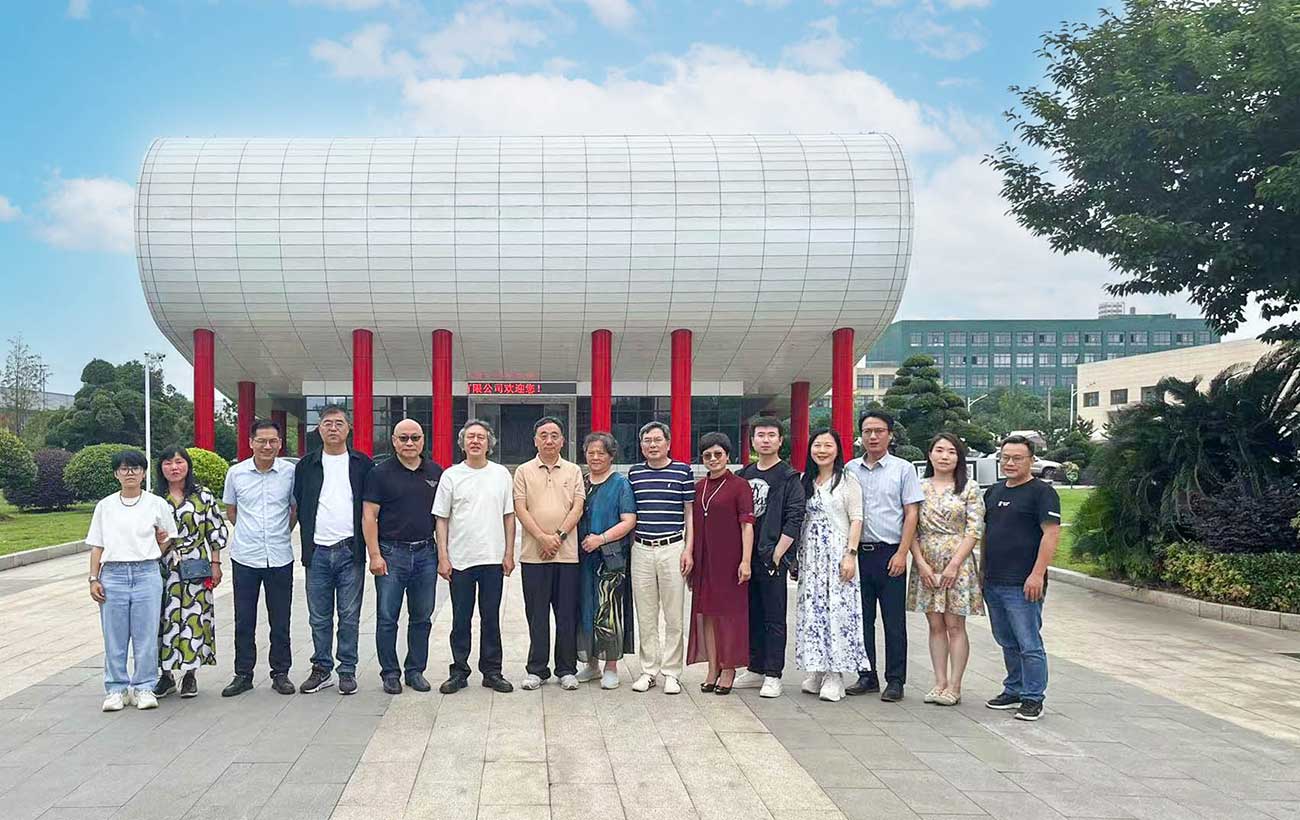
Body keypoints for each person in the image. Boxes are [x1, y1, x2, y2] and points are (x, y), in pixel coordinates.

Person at [87, 449, 177, 712]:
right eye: (124, 469)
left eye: (135, 468)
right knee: (114, 637)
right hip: (113, 574)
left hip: (146, 573)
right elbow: (97, 545)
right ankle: (116, 689)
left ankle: (144, 686)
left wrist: (153, 550)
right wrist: (93, 578)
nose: (130, 473)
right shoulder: (105, 506)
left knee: (145, 635)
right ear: (116, 474)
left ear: (144, 473)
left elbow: (168, 537)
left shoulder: (156, 504)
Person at [293, 405, 374, 696]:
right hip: (317, 551)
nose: (333, 428)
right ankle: (322, 668)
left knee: (349, 615)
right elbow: (299, 503)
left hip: (350, 550)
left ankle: (347, 670)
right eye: (327, 423)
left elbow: (370, 508)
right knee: (319, 616)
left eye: (339, 423)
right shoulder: (306, 465)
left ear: (348, 428)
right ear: (319, 429)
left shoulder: (362, 464)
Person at [844, 410, 923, 702]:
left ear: (890, 434)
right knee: (861, 619)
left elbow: (911, 513)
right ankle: (867, 675)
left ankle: (895, 679)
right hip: (859, 554)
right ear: (861, 436)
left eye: (879, 431)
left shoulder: (903, 469)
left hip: (890, 553)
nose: (873, 436)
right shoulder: (850, 469)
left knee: (893, 621)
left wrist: (902, 553)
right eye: (867, 431)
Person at [434, 419, 516, 695]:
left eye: (481, 437)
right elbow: (442, 519)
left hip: (492, 558)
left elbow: (509, 516)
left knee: (490, 618)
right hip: (460, 559)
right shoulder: (451, 475)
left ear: (489, 443)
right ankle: (459, 671)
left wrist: (508, 553)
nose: (476, 441)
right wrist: (443, 556)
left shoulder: (501, 474)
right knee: (461, 618)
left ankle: (492, 671)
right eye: (470, 437)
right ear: (463, 443)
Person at [982, 435, 1061, 722]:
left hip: (1024, 582)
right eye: (1005, 457)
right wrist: (981, 574)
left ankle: (1033, 697)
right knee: (1006, 639)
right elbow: (986, 534)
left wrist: (1037, 574)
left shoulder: (1042, 493)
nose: (1010, 463)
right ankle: (1014, 688)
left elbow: (1051, 534)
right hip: (993, 580)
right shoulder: (993, 492)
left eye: (1017, 458)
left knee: (1029, 643)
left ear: (1031, 460)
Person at [363, 418, 443, 695]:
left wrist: (443, 555)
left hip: (425, 553)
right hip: (391, 553)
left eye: (415, 438)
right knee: (387, 617)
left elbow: (442, 518)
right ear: (394, 441)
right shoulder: (379, 473)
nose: (410, 443)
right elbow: (369, 516)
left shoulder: (435, 472)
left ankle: (415, 670)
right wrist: (374, 555)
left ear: (423, 440)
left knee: (422, 616)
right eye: (403, 438)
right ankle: (390, 673)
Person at [906, 434, 985, 707]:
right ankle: (939, 681)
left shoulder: (969, 488)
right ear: (930, 455)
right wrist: (920, 563)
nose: (944, 456)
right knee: (935, 625)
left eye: (951, 451)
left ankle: (955, 685)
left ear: (959, 457)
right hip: (926, 561)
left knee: (955, 625)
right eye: (939, 450)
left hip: (958, 563)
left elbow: (974, 529)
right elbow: (910, 528)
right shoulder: (918, 487)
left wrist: (954, 565)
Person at [222, 419, 298, 697]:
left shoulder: (290, 473)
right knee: (244, 620)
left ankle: (281, 673)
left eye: (273, 441)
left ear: (280, 444)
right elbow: (232, 511)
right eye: (262, 441)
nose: (267, 446)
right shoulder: (236, 473)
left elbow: (293, 510)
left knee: (281, 620)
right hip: (245, 557)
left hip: (280, 557)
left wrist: (280, 533)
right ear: (251, 442)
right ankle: (243, 674)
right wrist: (249, 533)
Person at [733, 419, 805, 698]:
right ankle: (755, 667)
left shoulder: (789, 477)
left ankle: (773, 673)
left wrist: (778, 554)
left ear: (780, 440)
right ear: (752, 440)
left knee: (774, 616)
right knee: (750, 613)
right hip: (745, 556)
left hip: (772, 556)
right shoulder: (743, 474)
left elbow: (795, 517)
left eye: (771, 435)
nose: (765, 440)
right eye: (760, 435)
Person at [513, 416, 586, 691]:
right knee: (537, 615)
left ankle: (566, 669)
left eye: (554, 435)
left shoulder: (573, 471)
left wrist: (558, 537)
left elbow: (578, 507)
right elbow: (520, 509)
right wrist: (542, 538)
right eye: (543, 435)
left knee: (566, 614)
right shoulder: (523, 471)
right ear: (535, 441)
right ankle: (537, 669)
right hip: (534, 556)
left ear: (563, 440)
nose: (549, 440)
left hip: (567, 557)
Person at [795, 429, 867, 702]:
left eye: (828, 445)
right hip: (811, 557)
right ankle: (817, 668)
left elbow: (857, 518)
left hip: (837, 554)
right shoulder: (805, 481)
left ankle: (835, 674)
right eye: (817, 445)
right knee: (813, 611)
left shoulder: (847, 481)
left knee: (838, 611)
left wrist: (851, 554)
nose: (822, 450)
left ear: (837, 450)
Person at [154, 446, 227, 700]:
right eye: (168, 462)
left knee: (195, 618)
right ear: (160, 468)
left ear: (187, 465)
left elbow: (215, 531)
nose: (174, 467)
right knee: (162, 619)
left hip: (195, 565)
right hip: (162, 566)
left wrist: (215, 564)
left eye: (179, 462)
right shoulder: (154, 498)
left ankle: (190, 674)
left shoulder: (202, 496)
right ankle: (165, 675)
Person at [627, 421, 694, 695]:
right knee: (646, 614)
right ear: (641, 445)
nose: (652, 445)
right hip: (642, 549)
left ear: (668, 443)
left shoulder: (683, 472)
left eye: (657, 440)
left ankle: (672, 673)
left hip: (672, 547)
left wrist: (688, 549)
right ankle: (649, 670)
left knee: (674, 614)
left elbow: (689, 514)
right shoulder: (634, 474)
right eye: (647, 441)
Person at [686, 433, 753, 695]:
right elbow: (692, 524)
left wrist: (745, 560)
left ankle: (728, 668)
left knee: (728, 616)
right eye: (707, 455)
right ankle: (712, 667)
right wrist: (690, 553)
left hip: (730, 559)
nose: (713, 459)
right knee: (707, 615)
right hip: (704, 559)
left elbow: (747, 525)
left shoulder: (739, 486)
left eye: (718, 454)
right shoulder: (699, 487)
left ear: (728, 456)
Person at [575, 432, 637, 690]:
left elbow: (629, 520)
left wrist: (600, 539)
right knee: (584, 609)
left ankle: (611, 666)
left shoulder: (620, 484)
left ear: (611, 456)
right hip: (582, 558)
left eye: (601, 453)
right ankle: (591, 664)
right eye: (591, 453)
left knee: (609, 611)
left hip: (610, 559)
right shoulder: (581, 482)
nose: (595, 457)